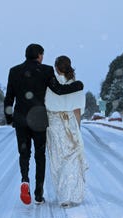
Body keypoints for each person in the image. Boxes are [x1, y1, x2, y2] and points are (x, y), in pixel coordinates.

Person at [4, 44, 84, 205]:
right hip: (39, 118)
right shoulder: (46, 70)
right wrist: (78, 85)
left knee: (24, 153)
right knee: (40, 156)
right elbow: (59, 90)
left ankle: (25, 180)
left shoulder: (14, 71)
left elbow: (8, 98)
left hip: (21, 118)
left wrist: (10, 119)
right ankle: (39, 194)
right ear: (39, 56)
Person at [45, 55, 88, 208]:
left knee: (58, 159)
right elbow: (77, 110)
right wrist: (77, 129)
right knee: (72, 158)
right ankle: (72, 193)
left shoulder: (50, 85)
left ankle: (63, 195)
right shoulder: (76, 85)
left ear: (56, 68)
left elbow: (46, 107)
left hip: (54, 123)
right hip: (70, 123)